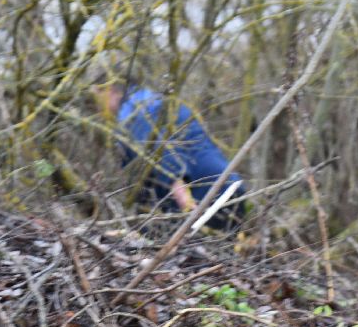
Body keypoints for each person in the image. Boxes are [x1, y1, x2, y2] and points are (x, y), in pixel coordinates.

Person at [95, 80, 247, 231]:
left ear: (111, 90)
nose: (97, 106)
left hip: (203, 197)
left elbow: (161, 149)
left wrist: (183, 197)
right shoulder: (160, 103)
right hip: (227, 185)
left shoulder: (135, 111)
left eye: (97, 95)